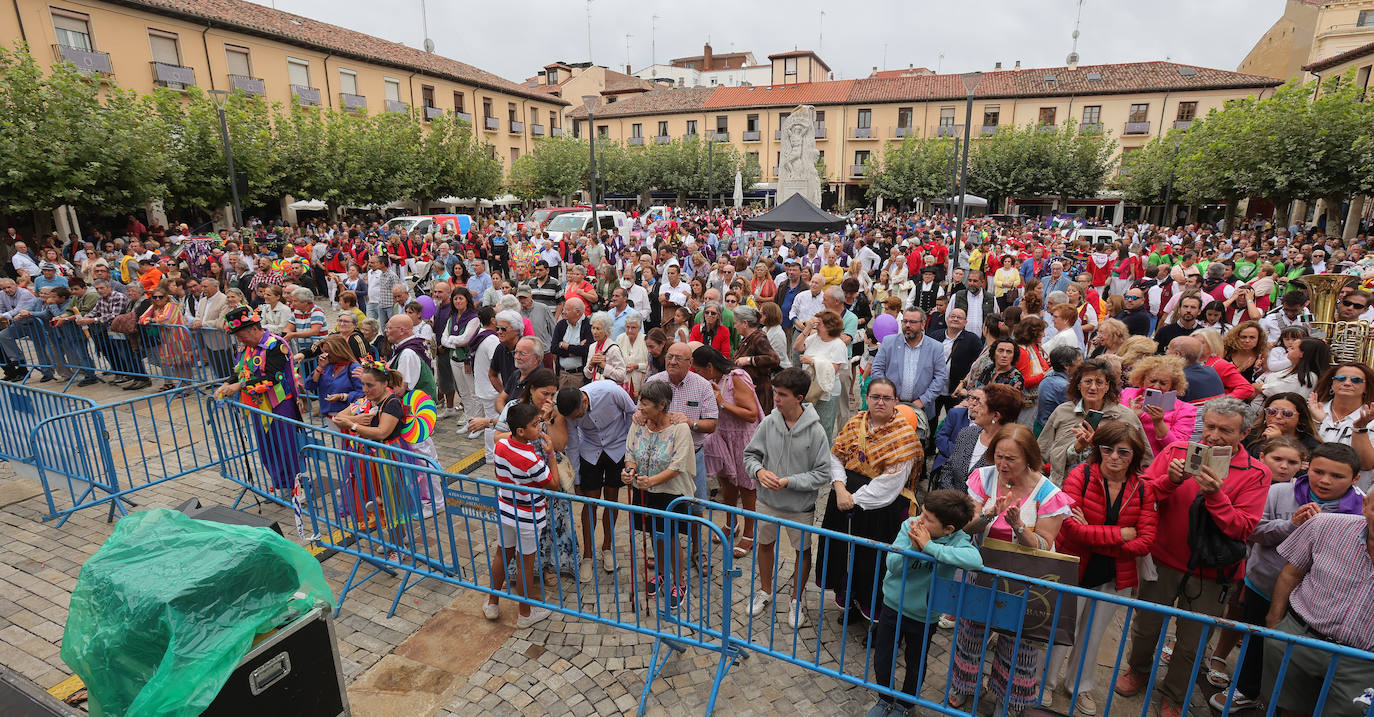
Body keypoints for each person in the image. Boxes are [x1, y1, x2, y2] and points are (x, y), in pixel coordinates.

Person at [1114, 399, 1270, 717]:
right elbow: (1140, 496)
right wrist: (1169, 481)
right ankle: (1138, 669)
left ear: (1245, 432)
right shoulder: (1176, 452)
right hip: (1162, 559)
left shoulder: (1257, 473)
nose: (1213, 436)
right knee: (1145, 625)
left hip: (1212, 573)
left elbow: (1243, 527)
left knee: (1192, 641)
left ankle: (1175, 694)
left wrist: (1215, 495)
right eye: (1210, 426)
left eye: (1225, 430)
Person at [1208, 442, 1365, 713]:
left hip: (1311, 602)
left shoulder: (1360, 513)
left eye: (1337, 476)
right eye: (1318, 471)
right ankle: (1246, 689)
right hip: (1264, 584)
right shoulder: (1280, 492)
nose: (1325, 481)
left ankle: (1283, 701)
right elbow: (1252, 530)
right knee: (1256, 640)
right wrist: (1291, 525)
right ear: (1308, 466)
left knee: (1293, 655)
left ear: (1355, 479)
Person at [949, 424, 1072, 713]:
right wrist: (990, 513)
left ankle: (1010, 697)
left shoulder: (1048, 493)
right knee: (971, 631)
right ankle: (965, 684)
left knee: (1019, 642)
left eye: (1011, 459)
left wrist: (1019, 526)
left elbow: (1044, 544)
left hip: (1027, 580)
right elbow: (967, 525)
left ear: (1029, 458)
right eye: (999, 456)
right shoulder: (983, 477)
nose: (1002, 464)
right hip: (982, 570)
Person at [1044, 421, 1158, 716]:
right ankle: (1046, 681)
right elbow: (1070, 529)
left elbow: (1145, 541)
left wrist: (1095, 534)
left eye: (1124, 451)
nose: (1115, 457)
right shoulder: (1079, 475)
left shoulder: (1143, 489)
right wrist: (1120, 534)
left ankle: (1079, 687)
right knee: (1062, 630)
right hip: (1075, 569)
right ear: (1098, 450)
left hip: (1113, 576)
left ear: (1134, 455)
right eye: (1108, 449)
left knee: (1093, 636)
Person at [1257, 489, 1374, 717]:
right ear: (1365, 505)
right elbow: (1291, 574)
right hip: (1300, 638)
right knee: (1288, 709)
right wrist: (1274, 625)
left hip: (1364, 662)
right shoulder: (1325, 525)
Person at [867, 490, 982, 717]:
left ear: (949, 529)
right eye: (923, 513)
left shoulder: (958, 540)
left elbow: (975, 560)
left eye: (928, 519)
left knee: (916, 663)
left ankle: (906, 704)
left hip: (924, 614)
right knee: (883, 656)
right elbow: (893, 564)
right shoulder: (910, 525)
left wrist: (930, 548)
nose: (920, 520)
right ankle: (884, 698)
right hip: (893, 605)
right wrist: (914, 548)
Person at [817, 378, 921, 625]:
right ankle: (849, 603)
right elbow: (836, 457)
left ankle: (875, 617)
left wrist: (854, 498)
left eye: (887, 398)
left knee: (872, 561)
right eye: (875, 396)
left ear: (895, 401)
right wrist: (840, 488)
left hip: (879, 508)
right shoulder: (855, 422)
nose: (880, 402)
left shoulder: (904, 436)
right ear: (867, 397)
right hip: (843, 497)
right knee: (843, 553)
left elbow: (891, 483)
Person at [742, 367, 832, 626]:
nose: (776, 399)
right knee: (765, 544)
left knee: (802, 551)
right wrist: (759, 472)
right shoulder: (769, 423)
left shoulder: (816, 432)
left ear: (799, 397)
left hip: (800, 507)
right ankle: (765, 591)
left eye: (781, 394)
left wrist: (789, 482)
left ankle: (796, 599)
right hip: (767, 502)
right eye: (775, 393)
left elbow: (823, 473)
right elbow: (750, 456)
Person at [480, 402, 557, 629]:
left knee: (502, 554)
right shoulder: (531, 459)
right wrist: (551, 453)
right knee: (525, 563)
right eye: (536, 424)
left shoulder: (502, 445)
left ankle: (492, 602)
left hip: (505, 509)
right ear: (521, 431)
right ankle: (525, 613)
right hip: (528, 516)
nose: (540, 426)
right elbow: (553, 484)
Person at [213, 307, 304, 497]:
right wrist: (226, 384)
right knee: (267, 447)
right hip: (256, 404)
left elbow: (274, 377)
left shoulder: (275, 345)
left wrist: (239, 386)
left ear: (254, 329)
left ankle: (298, 488)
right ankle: (281, 485)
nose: (239, 340)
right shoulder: (245, 347)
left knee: (286, 447)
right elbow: (239, 371)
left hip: (279, 403)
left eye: (240, 335)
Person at [623, 380, 697, 609]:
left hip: (672, 493)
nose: (640, 408)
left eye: (645, 404)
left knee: (672, 538)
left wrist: (651, 481)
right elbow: (630, 453)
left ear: (662, 405)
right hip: (646, 491)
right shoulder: (639, 423)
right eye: (640, 402)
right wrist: (629, 471)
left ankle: (679, 581)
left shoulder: (680, 429)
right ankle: (662, 573)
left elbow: (678, 465)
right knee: (654, 535)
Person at [556, 379, 636, 583]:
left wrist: (629, 446)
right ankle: (588, 556)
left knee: (611, 499)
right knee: (590, 502)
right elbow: (572, 442)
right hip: (590, 449)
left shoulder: (610, 391)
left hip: (618, 447)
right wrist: (577, 478)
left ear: (584, 400)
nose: (578, 418)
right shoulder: (569, 413)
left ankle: (607, 548)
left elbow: (632, 412)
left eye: (579, 414)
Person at [693, 346, 763, 560]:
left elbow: (751, 414)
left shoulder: (736, 377)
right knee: (727, 484)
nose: (696, 375)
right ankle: (731, 523)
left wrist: (721, 403)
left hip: (742, 438)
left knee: (747, 486)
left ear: (710, 367)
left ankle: (750, 533)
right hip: (722, 436)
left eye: (698, 371)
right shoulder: (713, 381)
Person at [1039, 357, 1153, 484]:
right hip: (1065, 487)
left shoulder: (1125, 416)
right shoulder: (1062, 412)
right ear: (1078, 384)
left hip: (1109, 490)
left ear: (1107, 386)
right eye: (1088, 381)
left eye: (1099, 382)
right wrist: (1076, 448)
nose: (1093, 387)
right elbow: (1044, 451)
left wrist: (1099, 443)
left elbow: (1144, 459)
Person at [935, 383, 1023, 491]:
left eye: (981, 405)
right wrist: (953, 501)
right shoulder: (967, 433)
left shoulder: (1009, 452)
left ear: (995, 416)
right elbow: (948, 468)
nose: (975, 408)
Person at [871, 307, 947, 428]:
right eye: (905, 321)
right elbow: (876, 370)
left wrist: (923, 400)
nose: (907, 325)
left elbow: (940, 377)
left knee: (922, 446)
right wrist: (888, 396)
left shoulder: (935, 347)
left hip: (923, 411)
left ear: (923, 324)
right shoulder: (889, 342)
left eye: (912, 322)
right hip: (891, 408)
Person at [1121, 355, 1198, 456]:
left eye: (1163, 383)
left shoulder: (1185, 410)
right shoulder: (1127, 394)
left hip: (1154, 464)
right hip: (1123, 457)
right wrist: (1132, 417)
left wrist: (1158, 423)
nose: (1156, 386)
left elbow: (1176, 448)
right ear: (1143, 379)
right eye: (1152, 381)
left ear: (1172, 386)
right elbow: (1112, 430)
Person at [794, 309, 850, 441]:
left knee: (823, 427)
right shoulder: (814, 338)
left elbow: (833, 370)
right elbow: (797, 347)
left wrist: (812, 361)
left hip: (826, 391)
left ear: (830, 327)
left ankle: (824, 458)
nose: (816, 325)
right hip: (810, 388)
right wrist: (807, 328)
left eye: (820, 323)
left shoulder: (838, 345)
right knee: (807, 426)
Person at [138, 285, 194, 390]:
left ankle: (187, 386)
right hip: (166, 340)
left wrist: (151, 320)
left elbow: (166, 319)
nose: (157, 299)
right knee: (176, 364)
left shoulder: (171, 305)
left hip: (179, 337)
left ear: (166, 297)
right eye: (154, 297)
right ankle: (182, 386)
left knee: (183, 364)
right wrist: (152, 320)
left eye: (160, 297)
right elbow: (141, 318)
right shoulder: (154, 307)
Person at [732, 304, 781, 414]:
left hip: (760, 393)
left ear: (745, 323)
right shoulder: (746, 339)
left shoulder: (758, 337)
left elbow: (774, 359)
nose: (734, 326)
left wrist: (749, 360)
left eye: (736, 323)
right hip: (749, 392)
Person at [303, 335, 363, 418]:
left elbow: (362, 393)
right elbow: (309, 385)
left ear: (339, 351)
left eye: (328, 352)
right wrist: (319, 368)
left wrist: (342, 396)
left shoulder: (354, 368)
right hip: (329, 416)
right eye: (324, 351)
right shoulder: (326, 366)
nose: (325, 355)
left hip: (349, 416)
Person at [1255, 337, 1329, 403]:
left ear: (1302, 354)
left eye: (1292, 348)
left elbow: (1272, 390)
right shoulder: (1292, 369)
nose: (1288, 349)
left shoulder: (1307, 376)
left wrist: (1256, 386)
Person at [1035, 345, 1082, 434]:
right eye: (1079, 361)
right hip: (1050, 431)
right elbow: (1076, 412)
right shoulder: (1063, 386)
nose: (1081, 364)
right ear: (1066, 366)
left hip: (1041, 424)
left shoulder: (1051, 373)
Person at [552, 297, 592, 388]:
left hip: (580, 376)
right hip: (562, 375)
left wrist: (565, 345)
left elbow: (586, 350)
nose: (563, 312)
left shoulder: (589, 325)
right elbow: (554, 348)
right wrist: (574, 351)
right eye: (563, 309)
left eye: (567, 310)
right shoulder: (561, 325)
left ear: (578, 312)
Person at [584, 311, 626, 385]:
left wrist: (604, 365)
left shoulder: (613, 348)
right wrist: (590, 365)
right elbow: (588, 375)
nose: (594, 332)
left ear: (606, 330)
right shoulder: (592, 347)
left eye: (598, 329)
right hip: (595, 387)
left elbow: (621, 375)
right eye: (593, 328)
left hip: (609, 389)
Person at [614, 313, 648, 399]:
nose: (629, 330)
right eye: (627, 327)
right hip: (622, 380)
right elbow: (614, 360)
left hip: (640, 381)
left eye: (633, 328)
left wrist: (637, 366)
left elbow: (650, 365)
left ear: (640, 328)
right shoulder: (620, 338)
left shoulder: (645, 340)